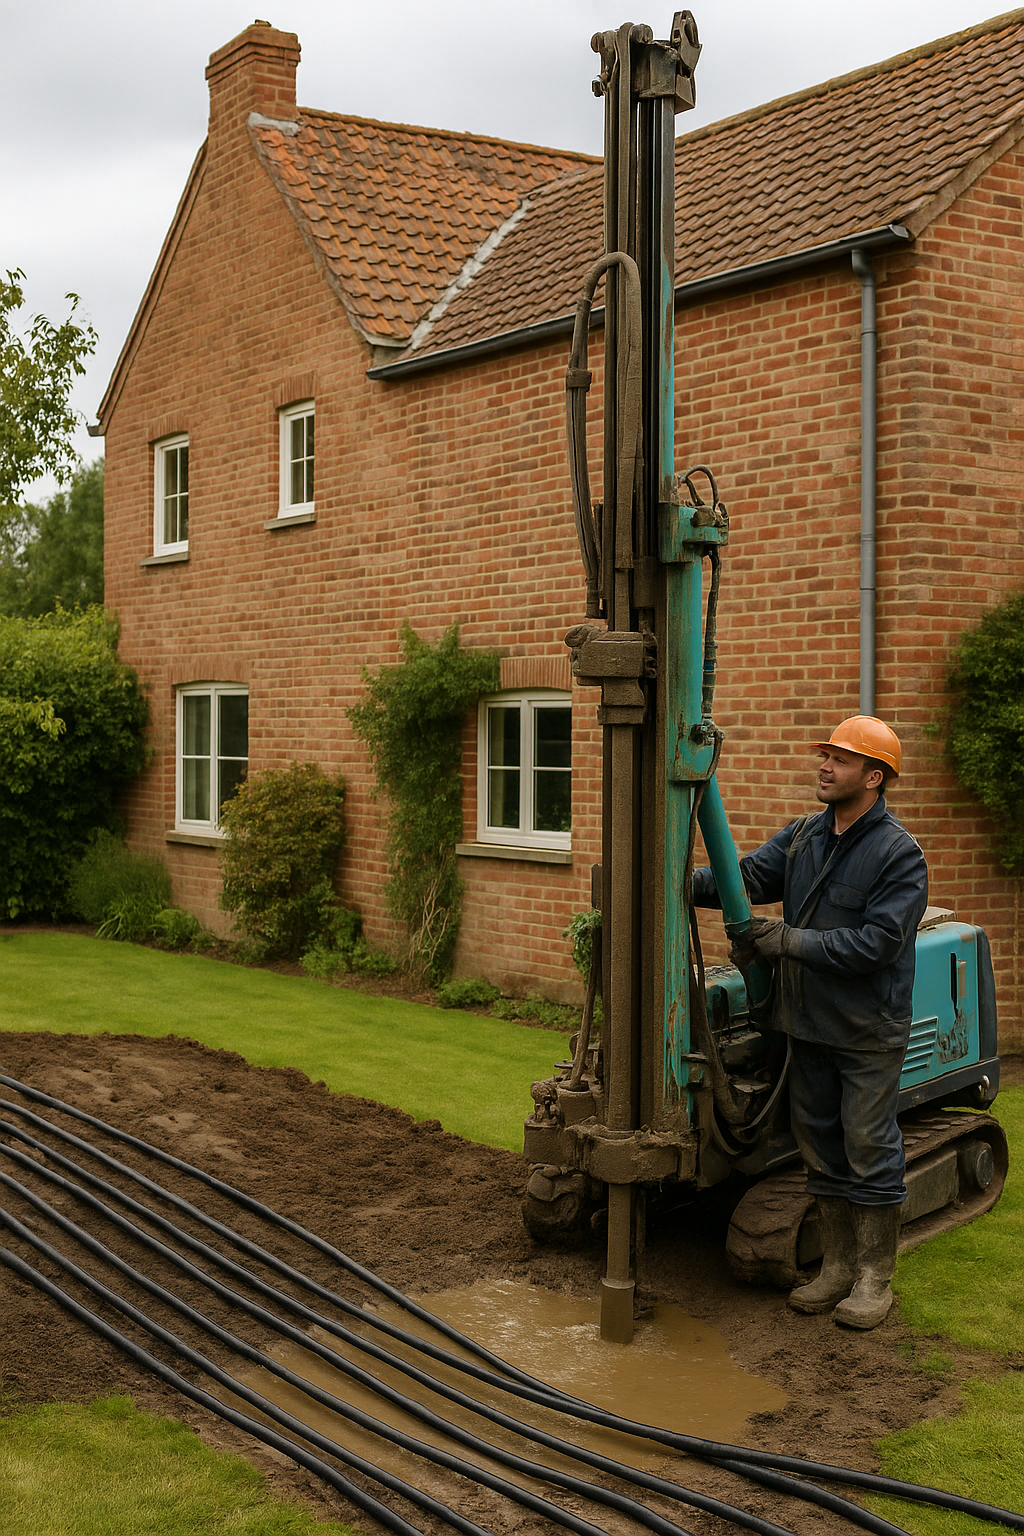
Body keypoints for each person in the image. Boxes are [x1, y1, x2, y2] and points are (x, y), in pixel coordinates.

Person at [691, 716, 928, 1329]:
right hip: (806, 1025)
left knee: (869, 1147)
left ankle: (875, 1280)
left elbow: (876, 944)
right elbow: (743, 880)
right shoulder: (803, 837)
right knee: (819, 1148)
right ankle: (838, 1269)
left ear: (874, 777)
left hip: (866, 1031)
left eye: (840, 760)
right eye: (824, 757)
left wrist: (787, 941)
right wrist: (670, 882)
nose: (824, 767)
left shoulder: (899, 855)